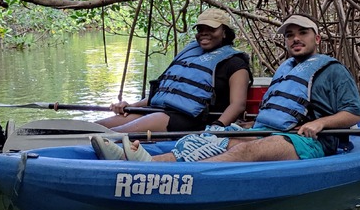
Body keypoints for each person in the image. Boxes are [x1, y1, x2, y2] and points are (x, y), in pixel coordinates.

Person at [92, 13, 360, 162]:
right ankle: (146, 164)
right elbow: (275, 113)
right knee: (211, 141)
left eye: (302, 33)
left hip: (312, 143)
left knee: (245, 150)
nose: (295, 39)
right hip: (273, 132)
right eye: (290, 35)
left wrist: (320, 123)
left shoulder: (333, 70)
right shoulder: (287, 68)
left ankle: (176, 178)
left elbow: (354, 114)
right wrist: (244, 127)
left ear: (316, 37)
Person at [93, 8, 252, 135]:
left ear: (225, 32)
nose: (204, 33)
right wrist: (131, 105)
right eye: (200, 29)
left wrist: (216, 128)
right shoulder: (192, 54)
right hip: (161, 111)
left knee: (113, 134)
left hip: (193, 119)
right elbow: (168, 93)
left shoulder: (235, 64)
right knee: (98, 127)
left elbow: (238, 105)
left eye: (211, 28)